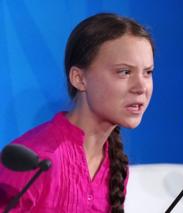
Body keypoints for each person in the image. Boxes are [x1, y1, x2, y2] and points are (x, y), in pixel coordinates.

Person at [0, 12, 154, 213]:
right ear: (79, 79)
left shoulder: (116, 166)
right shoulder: (35, 161)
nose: (142, 87)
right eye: (124, 72)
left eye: (148, 72)